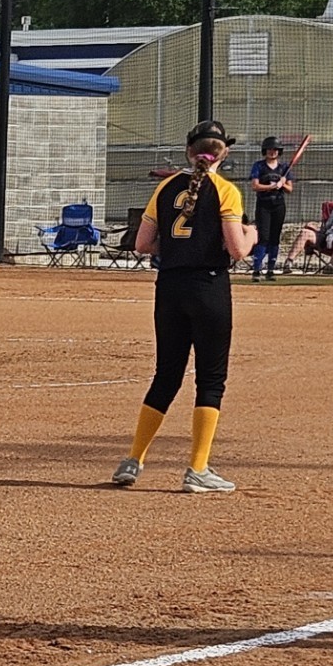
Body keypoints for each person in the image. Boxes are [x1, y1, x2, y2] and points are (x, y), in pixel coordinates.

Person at [112, 120, 257, 494]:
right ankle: (197, 468)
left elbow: (143, 244)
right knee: (210, 379)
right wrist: (252, 235)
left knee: (166, 374)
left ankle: (134, 458)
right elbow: (237, 250)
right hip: (208, 286)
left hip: (169, 288)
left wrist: (177, 250)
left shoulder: (165, 187)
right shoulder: (225, 190)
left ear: (189, 152)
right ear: (223, 153)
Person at [249, 135, 293, 281]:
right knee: (264, 237)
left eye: (275, 150)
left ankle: (271, 270)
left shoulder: (284, 168)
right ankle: (256, 270)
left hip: (279, 205)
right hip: (264, 205)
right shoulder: (259, 166)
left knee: (275, 237)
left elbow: (289, 189)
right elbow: (255, 186)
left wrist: (283, 184)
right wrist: (272, 186)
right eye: (269, 149)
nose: (272, 152)